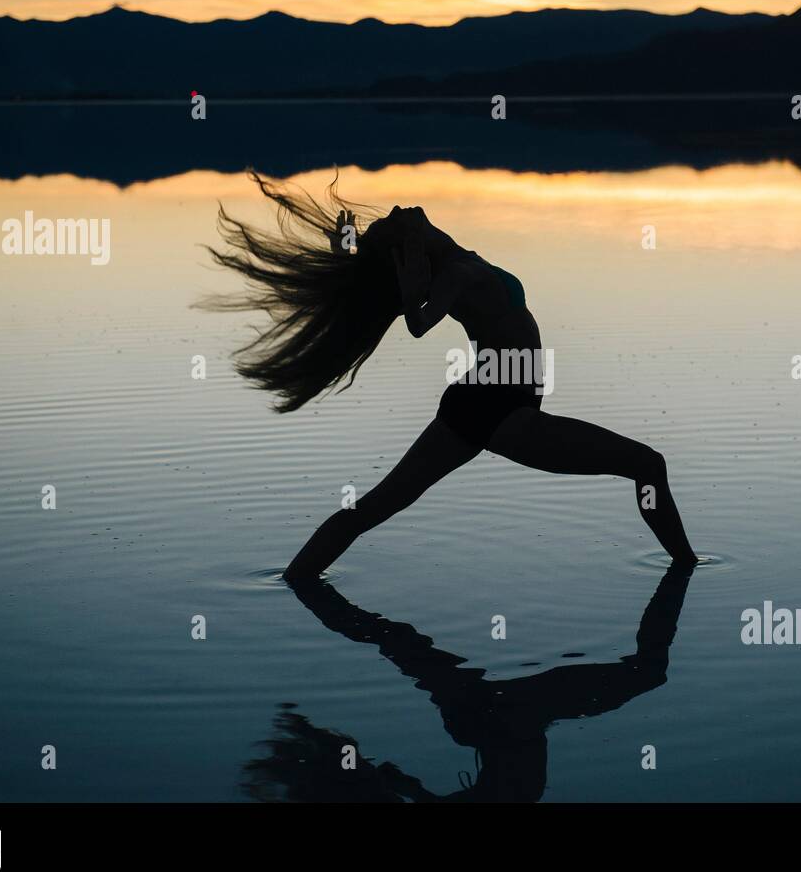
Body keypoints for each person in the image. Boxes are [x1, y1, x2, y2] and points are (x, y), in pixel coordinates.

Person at [205, 171, 697, 581]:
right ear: (411, 252)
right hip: (497, 409)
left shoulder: (460, 261)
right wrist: (410, 291)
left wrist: (353, 254)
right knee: (647, 465)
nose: (399, 209)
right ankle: (688, 572)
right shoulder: (454, 276)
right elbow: (419, 324)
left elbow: (411, 305)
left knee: (377, 507)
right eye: (396, 224)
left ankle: (297, 580)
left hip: (486, 404)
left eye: (393, 216)